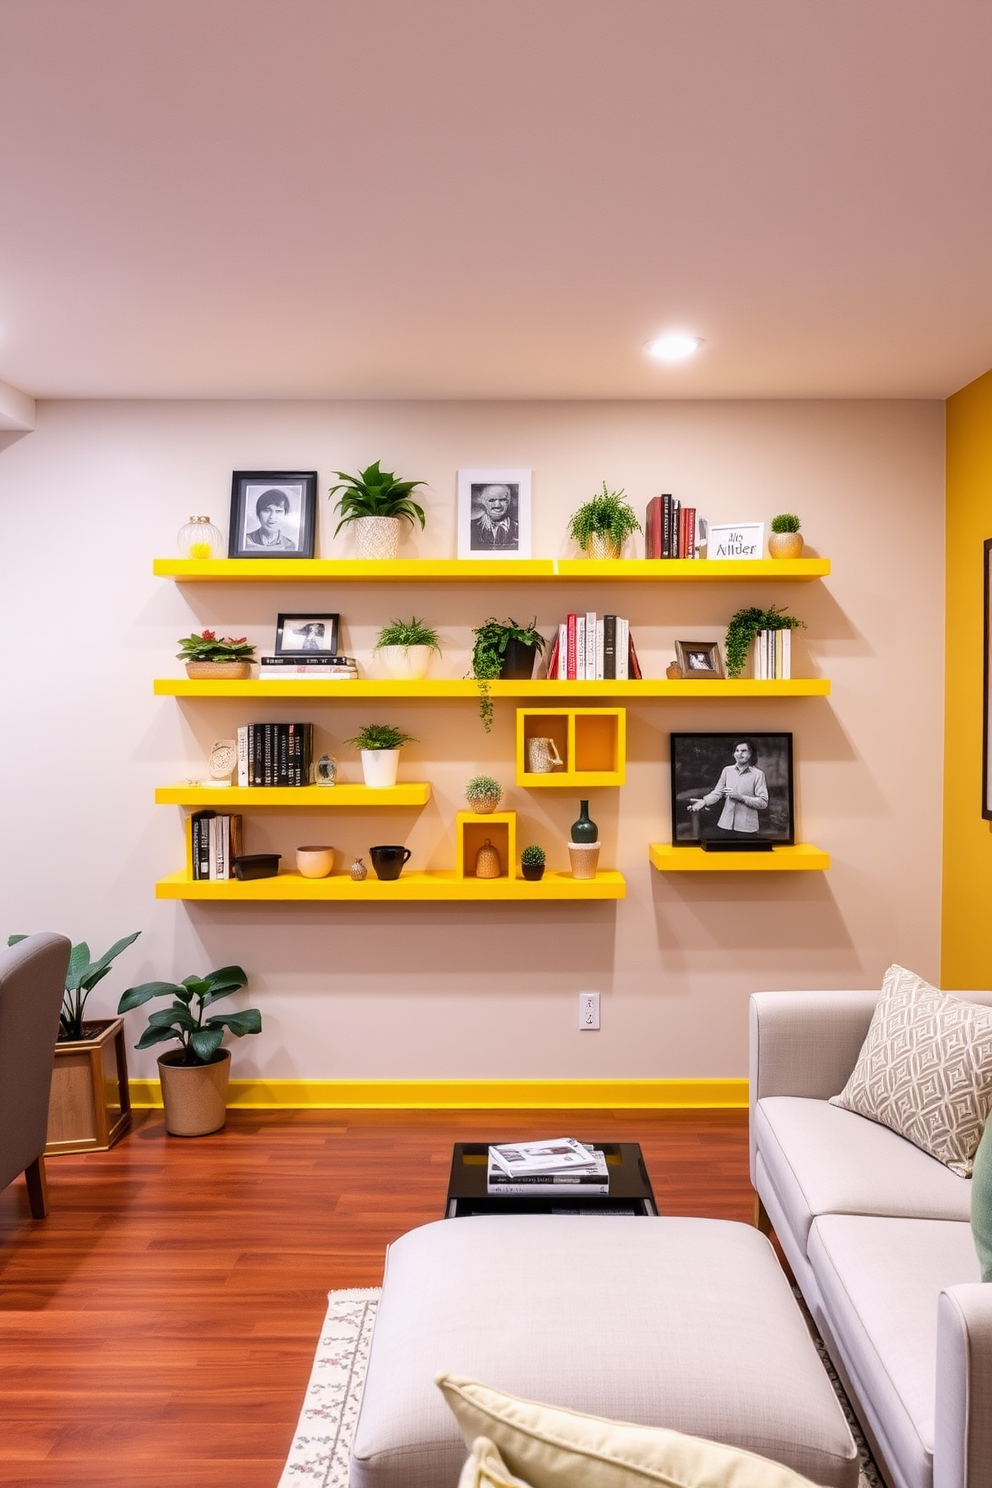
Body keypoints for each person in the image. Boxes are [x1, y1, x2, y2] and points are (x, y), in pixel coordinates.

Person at [687, 740, 768, 835]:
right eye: (736, 751)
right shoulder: (727, 771)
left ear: (751, 753)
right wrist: (703, 802)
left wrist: (741, 797)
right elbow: (717, 793)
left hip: (747, 829)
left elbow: (763, 803)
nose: (739, 754)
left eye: (743, 751)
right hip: (725, 826)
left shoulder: (758, 774)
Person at [470, 483, 519, 551]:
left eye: (502, 500)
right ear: (483, 503)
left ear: (508, 502)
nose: (497, 505)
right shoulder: (471, 527)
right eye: (491, 500)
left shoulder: (520, 527)